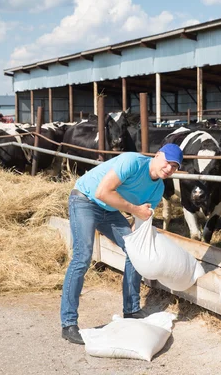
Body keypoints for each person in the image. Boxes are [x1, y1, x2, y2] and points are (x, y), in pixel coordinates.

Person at [61, 143, 183, 345]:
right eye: (168, 162)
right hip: (85, 199)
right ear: (157, 155)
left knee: (135, 251)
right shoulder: (132, 162)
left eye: (175, 166)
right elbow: (102, 192)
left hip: (109, 211)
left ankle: (132, 309)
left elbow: (139, 224)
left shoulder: (157, 188)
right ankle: (68, 324)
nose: (170, 168)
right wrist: (135, 209)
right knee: (83, 256)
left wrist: (139, 245)